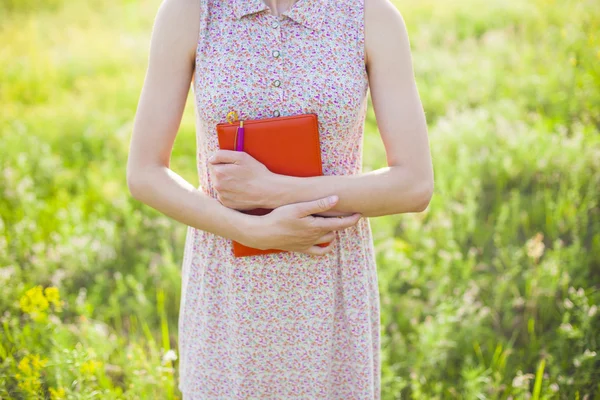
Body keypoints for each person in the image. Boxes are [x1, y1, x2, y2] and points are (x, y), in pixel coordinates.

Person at [126, 0, 433, 397]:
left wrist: (274, 189)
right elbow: (144, 173)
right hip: (229, 287)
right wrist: (252, 229)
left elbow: (414, 183)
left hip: (328, 287)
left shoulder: (371, 16)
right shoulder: (191, 12)